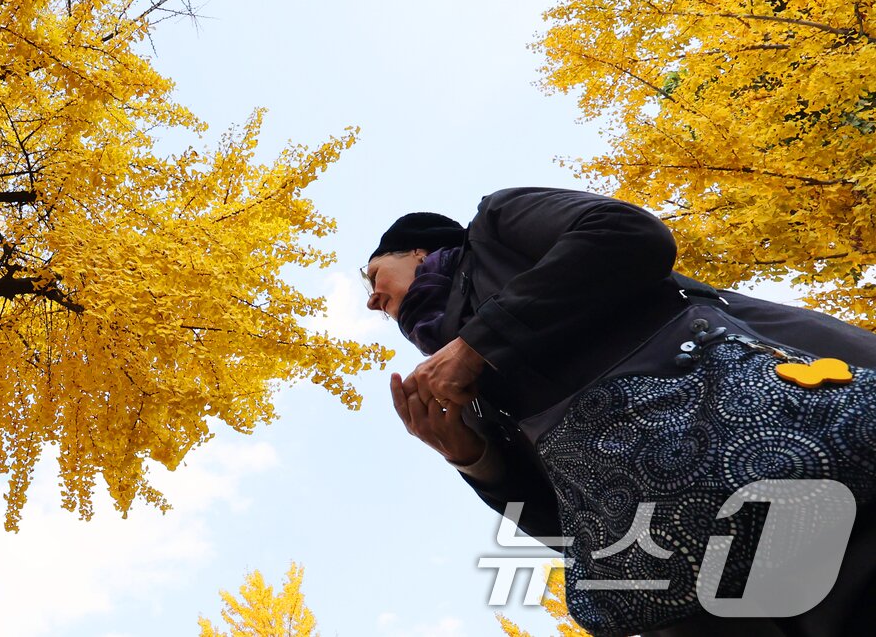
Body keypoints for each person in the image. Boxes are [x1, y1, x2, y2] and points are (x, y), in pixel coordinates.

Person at [366, 186, 876, 637]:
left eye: (373, 276)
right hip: (700, 583)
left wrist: (478, 344)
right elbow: (570, 531)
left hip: (791, 446)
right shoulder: (459, 385)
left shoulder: (494, 229)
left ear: (418, 251)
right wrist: (473, 459)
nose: (371, 301)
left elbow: (627, 234)